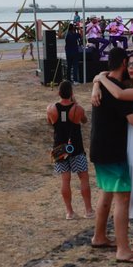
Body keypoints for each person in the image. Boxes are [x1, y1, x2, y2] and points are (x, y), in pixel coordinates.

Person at [87, 47, 133, 263]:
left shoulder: (106, 83)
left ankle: (99, 237)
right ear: (124, 64)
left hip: (99, 148)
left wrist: (98, 81)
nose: (132, 67)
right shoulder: (117, 88)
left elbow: (103, 79)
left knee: (107, 193)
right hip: (114, 150)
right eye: (130, 63)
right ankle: (123, 250)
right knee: (123, 199)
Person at [47, 80, 93, 220]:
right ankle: (88, 210)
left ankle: (69, 212)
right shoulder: (77, 109)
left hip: (59, 148)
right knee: (83, 178)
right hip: (75, 147)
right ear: (72, 93)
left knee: (65, 180)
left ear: (58, 93)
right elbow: (84, 120)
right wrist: (75, 102)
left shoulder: (51, 108)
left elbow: (50, 122)